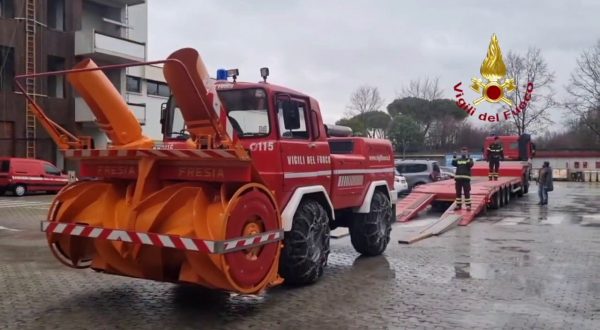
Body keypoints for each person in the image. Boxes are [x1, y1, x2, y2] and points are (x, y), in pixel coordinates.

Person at [452, 147, 474, 211]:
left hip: (466, 180)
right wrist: (454, 157)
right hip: (458, 179)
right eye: (462, 151)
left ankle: (468, 206)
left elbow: (470, 165)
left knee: (466, 193)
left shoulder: (470, 159)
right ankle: (458, 205)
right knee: (458, 193)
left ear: (467, 152)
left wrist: (468, 158)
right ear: (461, 152)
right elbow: (453, 163)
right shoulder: (458, 159)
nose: (464, 152)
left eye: (465, 151)